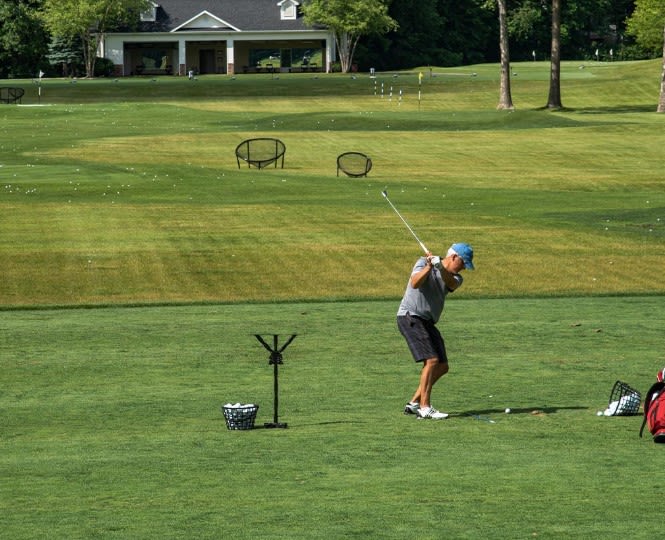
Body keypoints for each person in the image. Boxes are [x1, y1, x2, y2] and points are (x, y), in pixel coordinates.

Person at [397, 242, 475, 420]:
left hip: (428, 322)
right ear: (454, 257)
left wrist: (439, 266)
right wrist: (430, 266)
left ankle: (414, 403)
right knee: (431, 360)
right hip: (411, 316)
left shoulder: (456, 278)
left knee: (442, 366)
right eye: (463, 263)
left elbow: (450, 284)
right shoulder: (422, 262)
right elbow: (415, 283)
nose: (463, 268)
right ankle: (425, 408)